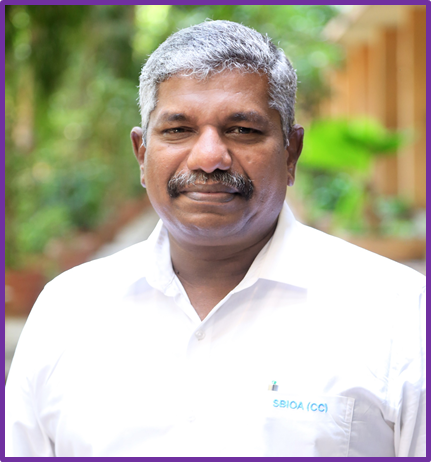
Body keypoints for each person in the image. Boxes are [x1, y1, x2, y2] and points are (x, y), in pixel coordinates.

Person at [5, 20, 425, 457]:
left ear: (291, 153)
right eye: (178, 130)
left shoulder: (399, 312)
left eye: (242, 130)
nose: (209, 158)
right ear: (142, 155)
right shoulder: (67, 311)